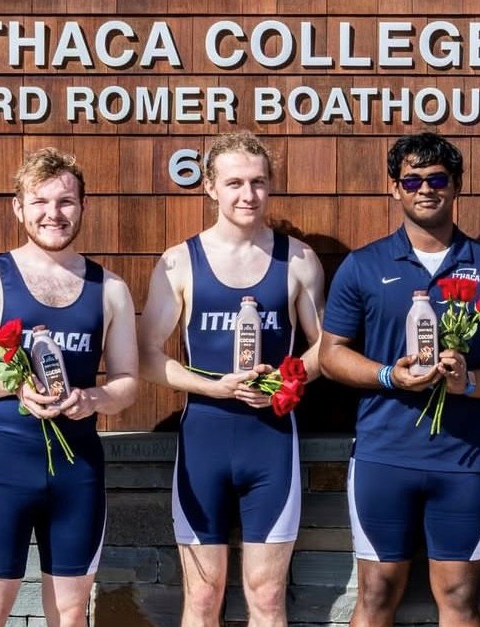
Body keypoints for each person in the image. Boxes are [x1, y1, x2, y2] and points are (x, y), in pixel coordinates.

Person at [319, 132, 480, 627]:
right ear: (395, 188)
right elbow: (331, 356)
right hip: (383, 456)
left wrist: (470, 382)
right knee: (375, 594)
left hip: (461, 459)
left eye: (437, 178)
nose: (425, 188)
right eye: (412, 179)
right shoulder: (363, 265)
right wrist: (389, 375)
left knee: (458, 597)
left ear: (456, 186)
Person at [0, 148, 139, 627]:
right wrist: (15, 386)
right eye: (39, 201)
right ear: (18, 207)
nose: (53, 213)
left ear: (84, 206)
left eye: (65, 201)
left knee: (70, 614)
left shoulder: (111, 289)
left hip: (77, 470)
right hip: (2, 468)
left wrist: (94, 398)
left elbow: (127, 382)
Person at [138, 131, 326, 626]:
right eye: (235, 183)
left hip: (271, 444)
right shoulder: (179, 261)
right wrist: (213, 386)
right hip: (204, 438)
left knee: (266, 597)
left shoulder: (299, 260)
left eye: (259, 182)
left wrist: (286, 381)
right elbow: (144, 357)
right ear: (210, 188)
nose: (248, 195)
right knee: (203, 598)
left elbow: (327, 347)